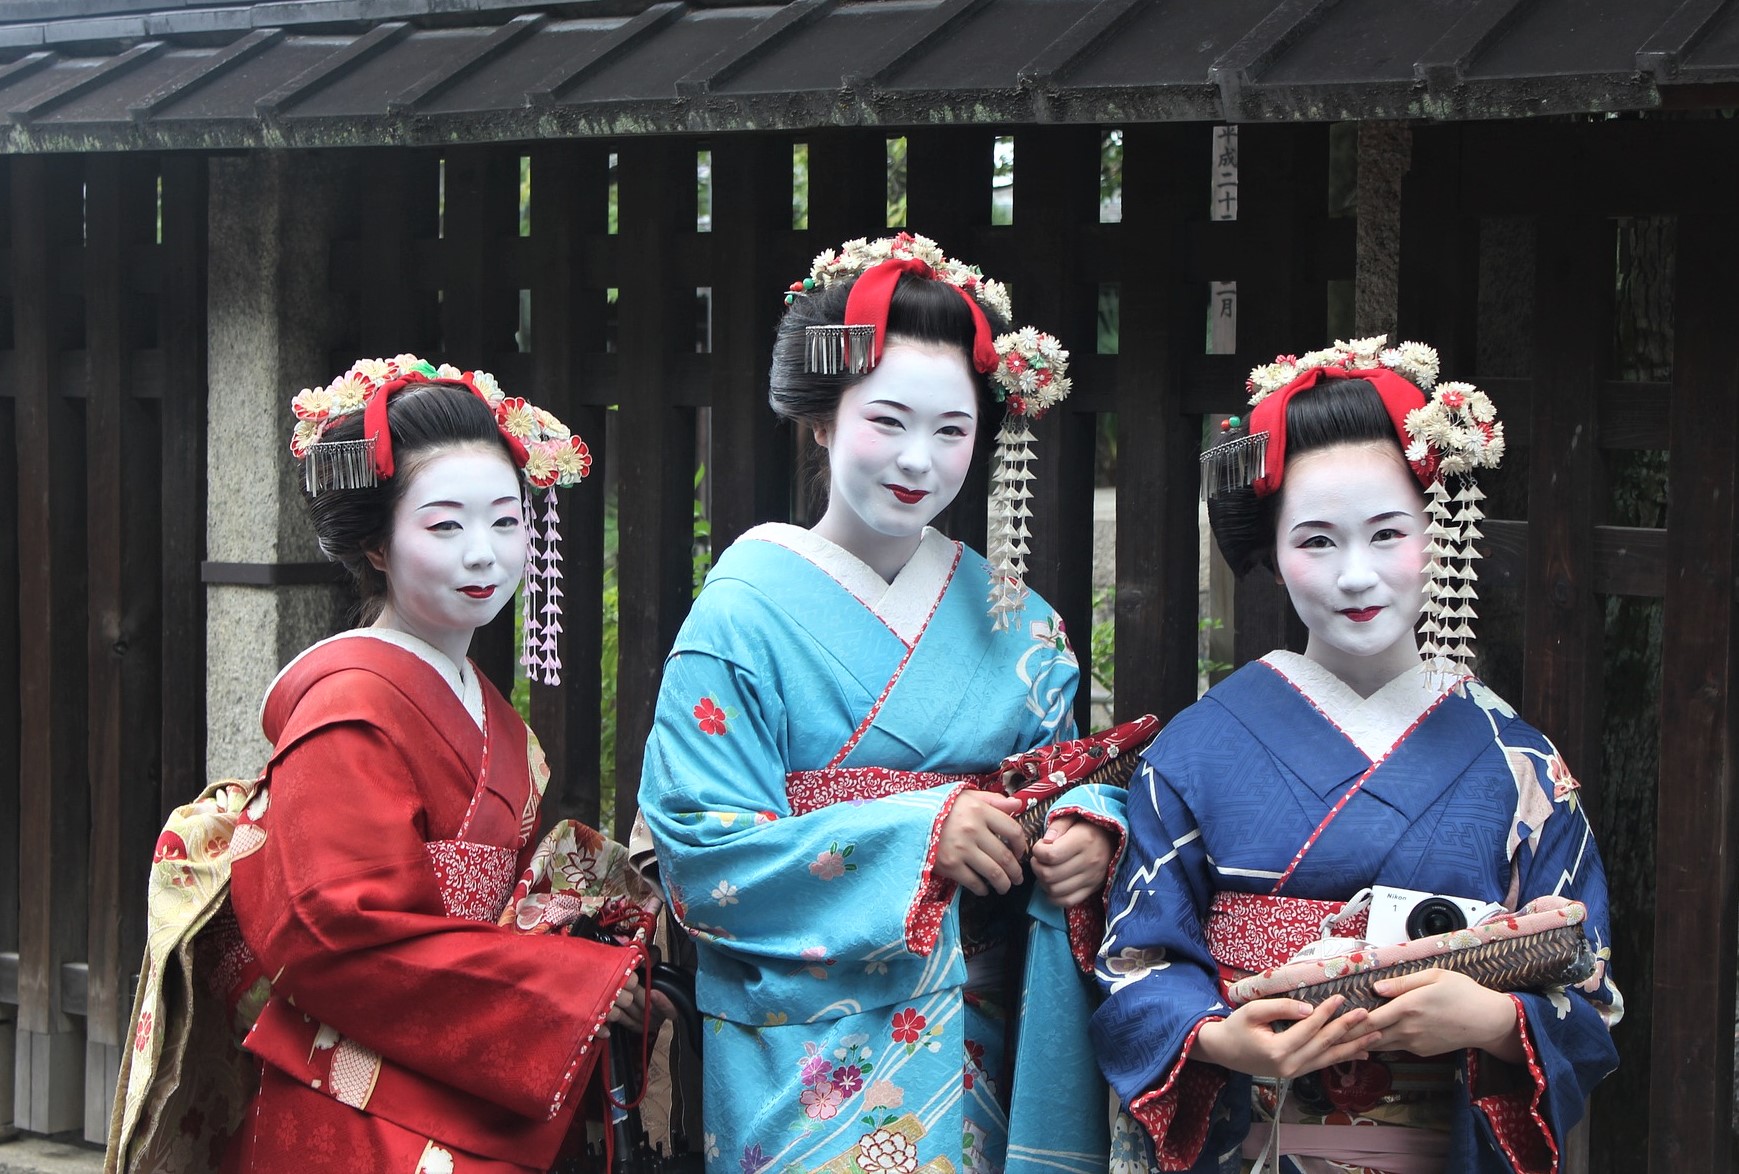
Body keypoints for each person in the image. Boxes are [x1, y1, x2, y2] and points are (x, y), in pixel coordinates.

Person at [637, 234, 1131, 1174]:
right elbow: (699, 851)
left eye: (951, 430)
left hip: (984, 1032)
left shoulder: (1020, 623)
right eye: (887, 421)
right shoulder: (741, 611)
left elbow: (1072, 774)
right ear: (822, 420)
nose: (919, 460)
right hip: (802, 1041)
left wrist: (1086, 829)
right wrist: (921, 834)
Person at [107, 356, 660, 1174]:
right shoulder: (348, 709)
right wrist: (558, 985)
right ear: (374, 542)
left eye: (507, 523)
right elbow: (335, 934)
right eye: (444, 526)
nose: (485, 555)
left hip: (468, 1072)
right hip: (351, 1100)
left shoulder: (488, 710)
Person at [1092, 338, 1622, 1174]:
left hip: (1443, 1139)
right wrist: (1226, 1039)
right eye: (1316, 542)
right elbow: (1136, 959)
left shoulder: (1514, 759)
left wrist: (1489, 1022)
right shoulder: (1195, 750)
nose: (1354, 576)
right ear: (1269, 549)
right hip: (1253, 1138)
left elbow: (1585, 980)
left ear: (1438, 531)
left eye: (1386, 534)